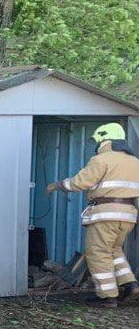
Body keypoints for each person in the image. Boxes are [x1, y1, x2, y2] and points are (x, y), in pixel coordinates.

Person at [46, 122, 139, 307]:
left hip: (106, 215)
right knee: (113, 250)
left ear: (104, 139)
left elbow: (80, 182)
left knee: (97, 252)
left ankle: (107, 297)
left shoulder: (101, 159)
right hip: (128, 216)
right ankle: (130, 284)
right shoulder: (135, 162)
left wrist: (57, 185)